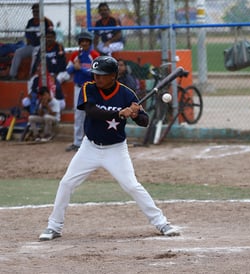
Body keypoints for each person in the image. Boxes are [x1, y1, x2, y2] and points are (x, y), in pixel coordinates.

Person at [38, 56, 180, 240]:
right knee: (66, 183)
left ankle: (161, 223)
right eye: (95, 74)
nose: (97, 78)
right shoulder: (88, 88)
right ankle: (54, 227)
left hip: (116, 150)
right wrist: (119, 112)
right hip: (89, 148)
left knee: (132, 186)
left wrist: (135, 114)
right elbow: (91, 111)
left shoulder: (127, 94)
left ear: (113, 75)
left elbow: (145, 122)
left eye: (102, 75)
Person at [65, 31, 100, 152]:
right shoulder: (75, 54)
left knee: (91, 113)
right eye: (82, 41)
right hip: (78, 87)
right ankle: (77, 142)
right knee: (78, 114)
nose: (84, 43)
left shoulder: (94, 55)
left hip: (91, 88)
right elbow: (68, 70)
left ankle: (92, 141)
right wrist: (73, 67)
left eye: (86, 41)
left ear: (90, 42)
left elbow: (96, 72)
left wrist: (81, 69)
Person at [8, 3, 54, 80]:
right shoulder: (30, 22)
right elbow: (27, 34)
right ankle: (12, 75)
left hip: (42, 46)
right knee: (18, 52)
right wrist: (31, 39)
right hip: (31, 45)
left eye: (37, 11)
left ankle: (31, 76)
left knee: (35, 55)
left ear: (41, 11)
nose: (35, 13)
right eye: (34, 11)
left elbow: (51, 35)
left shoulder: (46, 21)